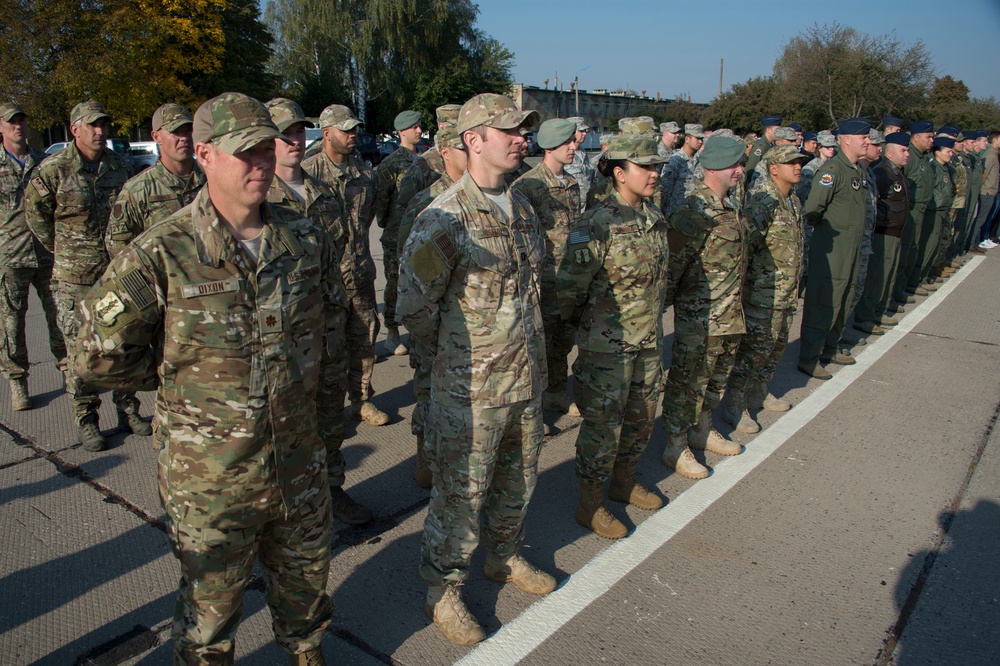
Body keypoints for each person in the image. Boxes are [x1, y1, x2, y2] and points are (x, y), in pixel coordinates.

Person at [74, 92, 346, 666]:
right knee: (209, 617)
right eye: (244, 153)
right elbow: (96, 357)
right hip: (213, 481)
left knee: (306, 592)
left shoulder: (304, 239)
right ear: (204, 154)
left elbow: (330, 329)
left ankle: (304, 652)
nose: (262, 164)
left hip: (298, 464)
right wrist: (178, 382)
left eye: (267, 150)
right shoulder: (163, 252)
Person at [397, 93, 555, 646]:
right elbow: (414, 310)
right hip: (471, 391)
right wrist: (459, 359)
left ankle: (505, 557)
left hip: (527, 380)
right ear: (473, 139)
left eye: (524, 131)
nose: (522, 140)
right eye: (509, 130)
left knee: (518, 481)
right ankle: (442, 589)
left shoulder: (524, 206)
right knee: (460, 495)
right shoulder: (444, 218)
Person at [262, 97, 372, 526]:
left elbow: (337, 257)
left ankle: (331, 492)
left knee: (328, 419)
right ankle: (279, 510)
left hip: (326, 330)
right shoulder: (256, 196)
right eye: (283, 134)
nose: (293, 140)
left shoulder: (322, 194)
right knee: (279, 428)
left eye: (296, 132)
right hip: (279, 338)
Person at [557, 135, 668, 539]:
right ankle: (591, 503)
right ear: (619, 173)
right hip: (607, 349)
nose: (655, 174)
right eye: (645, 167)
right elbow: (569, 289)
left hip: (649, 342)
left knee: (641, 420)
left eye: (657, 167)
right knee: (603, 428)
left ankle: (624, 481)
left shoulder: (653, 216)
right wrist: (583, 331)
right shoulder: (596, 223)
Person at [25, 99, 133, 451]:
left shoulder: (119, 167)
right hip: (74, 279)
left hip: (114, 274)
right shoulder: (54, 170)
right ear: (75, 130)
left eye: (103, 125)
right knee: (80, 351)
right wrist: (64, 250)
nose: (100, 131)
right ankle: (86, 419)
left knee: (122, 341)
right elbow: (36, 214)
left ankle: (128, 409)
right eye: (92, 125)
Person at [660, 135, 748, 480]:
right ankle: (675, 444)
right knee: (687, 382)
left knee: (714, 379)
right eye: (735, 164)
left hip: (730, 316)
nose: (741, 170)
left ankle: (702, 428)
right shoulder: (692, 212)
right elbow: (672, 271)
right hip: (700, 319)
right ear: (714, 167)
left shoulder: (731, 206)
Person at [303, 104, 391, 427]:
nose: (353, 135)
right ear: (327, 134)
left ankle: (361, 401)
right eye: (346, 130)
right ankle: (324, 410)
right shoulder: (308, 174)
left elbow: (366, 219)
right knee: (327, 348)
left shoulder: (365, 174)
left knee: (365, 339)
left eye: (355, 129)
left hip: (360, 274)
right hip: (324, 280)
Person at [396, 124, 468, 489]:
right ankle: (425, 451)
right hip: (434, 322)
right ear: (445, 153)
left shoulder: (485, 199)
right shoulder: (429, 203)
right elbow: (410, 267)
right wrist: (428, 332)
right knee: (427, 387)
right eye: (460, 149)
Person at [723, 145, 808, 433]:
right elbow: (746, 248)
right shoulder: (763, 203)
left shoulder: (792, 201)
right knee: (752, 352)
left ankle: (758, 392)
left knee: (775, 347)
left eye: (799, 162)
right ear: (773, 168)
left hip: (785, 293)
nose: (798, 166)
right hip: (762, 296)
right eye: (791, 162)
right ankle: (736, 404)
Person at [512, 119, 581, 419]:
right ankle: (533, 407)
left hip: (568, 279)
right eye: (567, 143)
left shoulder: (572, 183)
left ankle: (555, 394)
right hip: (541, 280)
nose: (573, 147)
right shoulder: (528, 186)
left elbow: (577, 230)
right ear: (550, 145)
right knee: (536, 345)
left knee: (562, 340)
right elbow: (520, 238)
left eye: (573, 141)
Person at [0, 102, 65, 411]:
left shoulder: (44, 163)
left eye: (22, 121)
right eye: (12, 122)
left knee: (60, 318)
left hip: (46, 253)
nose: (18, 126)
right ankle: (17, 382)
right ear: (1, 127)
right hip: (10, 257)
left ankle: (69, 372)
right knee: (12, 325)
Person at [797, 118, 870, 379]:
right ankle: (810, 356)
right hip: (832, 248)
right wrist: (829, 233)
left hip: (851, 247)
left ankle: (830, 346)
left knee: (845, 294)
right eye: (864, 138)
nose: (868, 142)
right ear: (847, 139)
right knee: (823, 300)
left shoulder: (855, 170)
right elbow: (813, 210)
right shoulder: (832, 171)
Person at [374, 109, 423, 356]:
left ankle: (418, 331)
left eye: (419, 125)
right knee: (394, 282)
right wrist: (388, 225)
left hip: (422, 234)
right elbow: (381, 202)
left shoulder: (427, 159)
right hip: (396, 235)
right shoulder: (390, 164)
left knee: (421, 283)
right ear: (401, 131)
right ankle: (392, 331)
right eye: (413, 127)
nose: (419, 130)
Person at [854, 132, 911, 334]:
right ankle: (866, 315)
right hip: (881, 232)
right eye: (903, 150)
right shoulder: (881, 172)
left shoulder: (896, 172)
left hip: (894, 231)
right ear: (890, 152)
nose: (907, 154)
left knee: (887, 275)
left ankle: (877, 312)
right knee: (876, 277)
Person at [893, 121, 935, 303]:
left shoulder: (923, 157)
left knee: (912, 249)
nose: (932, 140)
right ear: (916, 137)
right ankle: (895, 293)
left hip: (921, 209)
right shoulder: (909, 157)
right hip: (910, 211)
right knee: (904, 252)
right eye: (929, 137)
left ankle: (903, 287)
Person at [659, 123, 705, 216]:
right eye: (697, 138)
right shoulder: (675, 160)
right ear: (687, 139)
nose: (700, 142)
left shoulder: (699, 160)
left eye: (701, 139)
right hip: (675, 213)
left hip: (693, 213)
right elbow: (665, 191)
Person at [564, 116, 594, 212]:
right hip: (572, 207)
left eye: (585, 131)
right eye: (581, 131)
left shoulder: (583, 152)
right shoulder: (565, 154)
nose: (584, 134)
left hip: (586, 206)